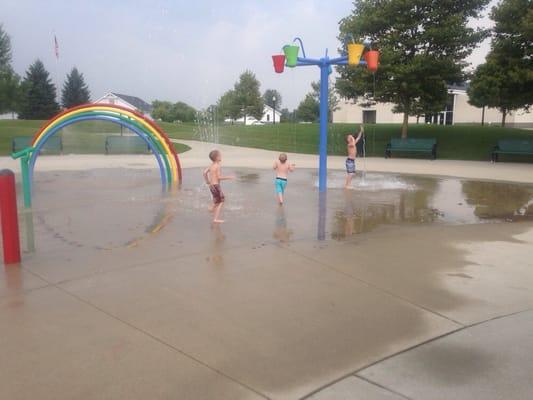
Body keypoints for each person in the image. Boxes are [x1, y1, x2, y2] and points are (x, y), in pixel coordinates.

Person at [203, 150, 234, 223]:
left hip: (211, 186)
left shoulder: (211, 165)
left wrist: (207, 181)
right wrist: (229, 177)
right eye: (220, 155)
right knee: (221, 201)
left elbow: (204, 173)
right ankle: (215, 219)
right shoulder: (217, 166)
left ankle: (211, 209)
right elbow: (219, 177)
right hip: (216, 185)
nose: (221, 157)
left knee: (217, 200)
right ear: (217, 158)